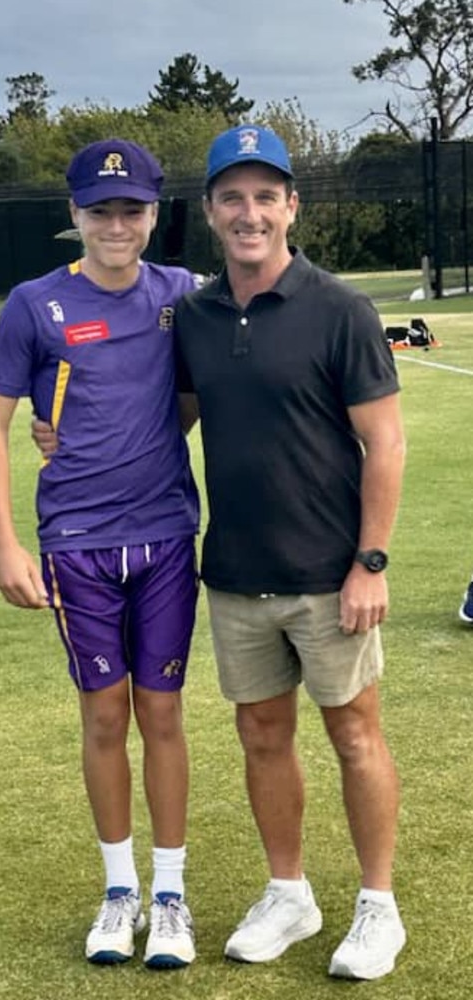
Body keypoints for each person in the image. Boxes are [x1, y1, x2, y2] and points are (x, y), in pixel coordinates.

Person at [172, 124, 407, 981]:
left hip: (330, 575)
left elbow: (384, 444)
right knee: (262, 735)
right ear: (209, 211)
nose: (249, 213)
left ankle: (378, 908)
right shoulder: (193, 315)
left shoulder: (340, 308)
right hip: (234, 572)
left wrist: (369, 563)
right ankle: (290, 893)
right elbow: (177, 420)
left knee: (354, 736)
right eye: (232, 197)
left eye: (265, 196)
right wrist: (69, 431)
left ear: (290, 207)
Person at [0, 138, 200, 969]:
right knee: (105, 714)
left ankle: (170, 897)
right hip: (76, 542)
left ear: (153, 216)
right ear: (73, 216)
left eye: (132, 210)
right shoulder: (34, 304)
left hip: (169, 535)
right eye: (100, 210)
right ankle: (119, 891)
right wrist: (5, 544)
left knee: (163, 713)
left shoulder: (183, 294)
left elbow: (190, 394)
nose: (116, 224)